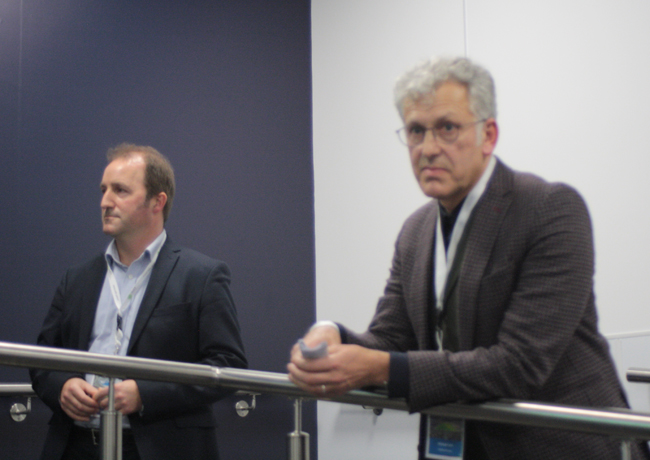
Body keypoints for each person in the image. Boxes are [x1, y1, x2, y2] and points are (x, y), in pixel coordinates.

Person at [288, 57, 650, 459]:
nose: (428, 149)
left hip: (562, 446)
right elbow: (390, 339)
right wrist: (333, 338)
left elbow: (519, 365)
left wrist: (379, 367)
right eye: (416, 130)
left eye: (447, 128)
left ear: (488, 135)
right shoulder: (415, 232)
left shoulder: (549, 209)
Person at [30, 143, 247, 460]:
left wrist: (145, 394)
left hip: (159, 448)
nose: (105, 202)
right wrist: (63, 386)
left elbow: (227, 366)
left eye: (120, 190)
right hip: (76, 446)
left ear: (157, 201)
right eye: (104, 190)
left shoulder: (201, 276)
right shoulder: (76, 279)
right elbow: (41, 360)